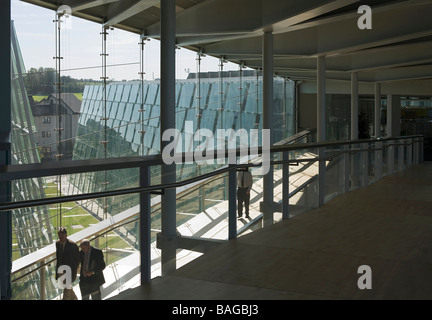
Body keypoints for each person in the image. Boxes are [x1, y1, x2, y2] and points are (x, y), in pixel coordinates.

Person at [55, 227, 80, 300]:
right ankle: (75, 298)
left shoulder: (72, 245)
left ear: (66, 235)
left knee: (66, 289)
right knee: (68, 287)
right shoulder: (57, 243)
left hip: (69, 270)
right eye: (59, 237)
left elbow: (77, 259)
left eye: (62, 237)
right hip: (61, 270)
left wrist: (74, 269)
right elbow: (58, 257)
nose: (60, 239)